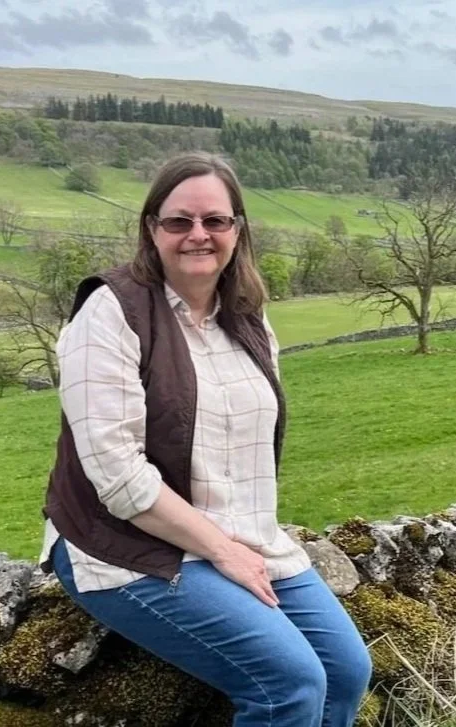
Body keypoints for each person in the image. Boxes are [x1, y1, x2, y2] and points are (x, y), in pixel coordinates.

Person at [40, 152, 372, 726]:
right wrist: (221, 550)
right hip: (126, 545)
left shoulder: (246, 315)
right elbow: (118, 475)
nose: (199, 234)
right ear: (152, 229)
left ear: (237, 230)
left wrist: (236, 544)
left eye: (215, 220)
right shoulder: (111, 311)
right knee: (288, 684)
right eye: (179, 221)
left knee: (346, 672)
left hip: (241, 535)